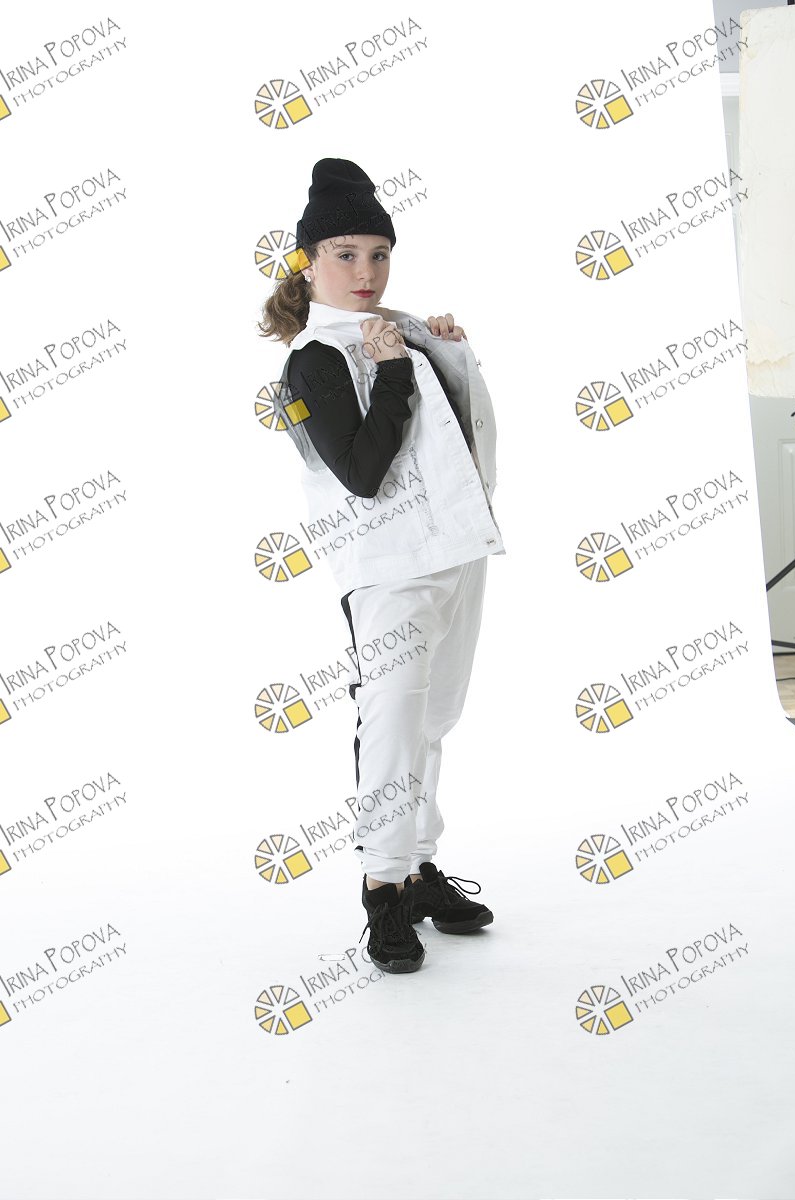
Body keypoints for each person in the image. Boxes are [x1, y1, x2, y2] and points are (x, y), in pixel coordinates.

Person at [259, 158, 507, 974]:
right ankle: (383, 890)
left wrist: (447, 354)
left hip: (456, 553)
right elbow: (363, 474)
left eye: (378, 254)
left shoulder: (402, 331)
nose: (365, 272)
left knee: (436, 721)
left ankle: (421, 868)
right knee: (393, 726)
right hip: (388, 567)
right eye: (345, 254)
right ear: (309, 262)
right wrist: (396, 370)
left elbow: (463, 445)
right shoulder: (314, 359)